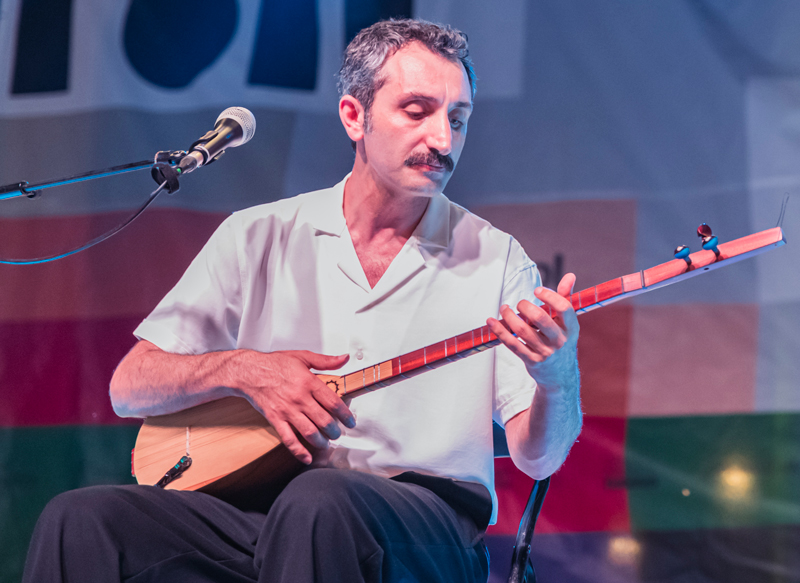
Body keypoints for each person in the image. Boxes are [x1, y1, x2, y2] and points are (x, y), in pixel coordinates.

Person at [22, 18, 581, 583]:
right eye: (417, 112)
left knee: (320, 503)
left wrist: (556, 379)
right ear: (353, 116)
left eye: (457, 121)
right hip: (266, 509)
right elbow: (129, 386)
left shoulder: (497, 258)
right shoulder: (257, 233)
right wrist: (241, 369)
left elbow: (539, 458)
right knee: (82, 519)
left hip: (423, 531)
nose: (442, 139)